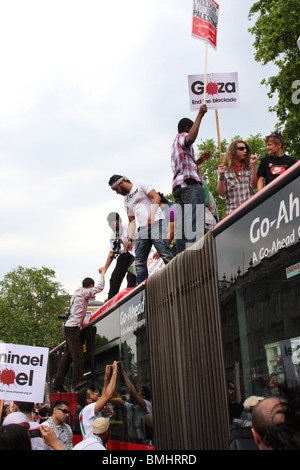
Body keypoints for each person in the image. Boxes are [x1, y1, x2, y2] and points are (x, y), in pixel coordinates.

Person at [109, 175, 174, 285]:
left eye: (116, 189)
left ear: (121, 183)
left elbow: (156, 197)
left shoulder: (140, 184)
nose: (117, 193)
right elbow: (131, 221)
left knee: (164, 251)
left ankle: (176, 273)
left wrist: (152, 214)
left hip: (156, 222)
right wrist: (129, 239)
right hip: (142, 229)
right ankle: (142, 285)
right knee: (139, 260)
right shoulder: (126, 201)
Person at [52, 268, 105, 393]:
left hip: (70, 327)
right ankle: (76, 382)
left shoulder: (77, 293)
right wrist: (102, 274)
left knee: (67, 356)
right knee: (78, 356)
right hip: (73, 328)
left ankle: (58, 382)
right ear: (90, 286)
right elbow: (99, 288)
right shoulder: (83, 293)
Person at [171, 104, 211, 254]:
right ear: (187, 128)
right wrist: (200, 115)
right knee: (194, 227)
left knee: (182, 230)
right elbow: (191, 138)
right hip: (190, 187)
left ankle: (182, 261)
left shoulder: (174, 145)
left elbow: (186, 167)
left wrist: (200, 160)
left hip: (179, 188)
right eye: (191, 127)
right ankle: (195, 259)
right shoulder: (182, 137)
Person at [77, 361, 118, 440]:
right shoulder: (88, 409)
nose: (96, 394)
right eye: (93, 393)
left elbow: (103, 398)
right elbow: (108, 395)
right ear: (89, 400)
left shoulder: (86, 411)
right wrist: (115, 373)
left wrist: (106, 378)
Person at [101, 212, 136, 300]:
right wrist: (105, 268)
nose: (111, 227)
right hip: (126, 252)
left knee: (131, 274)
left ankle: (131, 295)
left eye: (112, 224)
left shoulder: (128, 226)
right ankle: (111, 299)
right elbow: (112, 253)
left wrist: (130, 240)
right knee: (114, 277)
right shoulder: (113, 234)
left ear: (118, 222)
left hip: (138, 250)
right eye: (109, 225)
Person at [218, 140, 258, 215]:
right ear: (233, 151)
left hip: (250, 210)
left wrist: (254, 165)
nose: (245, 151)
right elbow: (221, 193)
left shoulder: (249, 167)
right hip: (233, 213)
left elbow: (254, 185)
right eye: (241, 148)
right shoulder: (225, 169)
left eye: (246, 149)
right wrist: (221, 176)